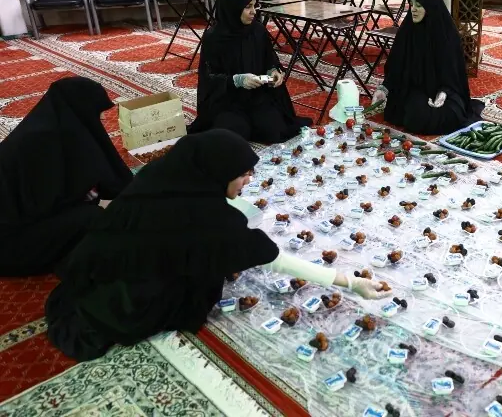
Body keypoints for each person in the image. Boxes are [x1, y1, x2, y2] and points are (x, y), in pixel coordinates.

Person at [46, 129, 389, 362]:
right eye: (242, 174)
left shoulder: (161, 175)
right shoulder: (210, 220)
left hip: (94, 265)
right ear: (218, 171)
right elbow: (274, 259)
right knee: (201, 284)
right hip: (132, 301)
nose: (249, 181)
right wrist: (350, 282)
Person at [0, 77, 132, 277]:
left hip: (22, 226)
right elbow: (43, 206)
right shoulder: (41, 144)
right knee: (93, 218)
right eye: (98, 114)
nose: (101, 121)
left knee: (93, 208)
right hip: (10, 247)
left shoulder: (53, 128)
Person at [190, 0, 312, 143]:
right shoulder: (214, 38)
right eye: (248, 7)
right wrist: (237, 80)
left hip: (257, 96)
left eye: (255, 6)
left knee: (273, 131)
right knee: (234, 134)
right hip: (228, 101)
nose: (253, 12)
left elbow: (269, 59)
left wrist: (273, 72)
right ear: (233, 7)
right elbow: (209, 77)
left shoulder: (257, 30)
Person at [372, 0, 484, 135]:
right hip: (416, 88)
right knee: (415, 116)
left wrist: (444, 92)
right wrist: (385, 88)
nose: (413, 9)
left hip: (444, 90)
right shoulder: (407, 31)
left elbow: (453, 72)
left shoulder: (446, 34)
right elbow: (396, 64)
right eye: (411, 5)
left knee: (451, 113)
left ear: (430, 7)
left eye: (419, 5)